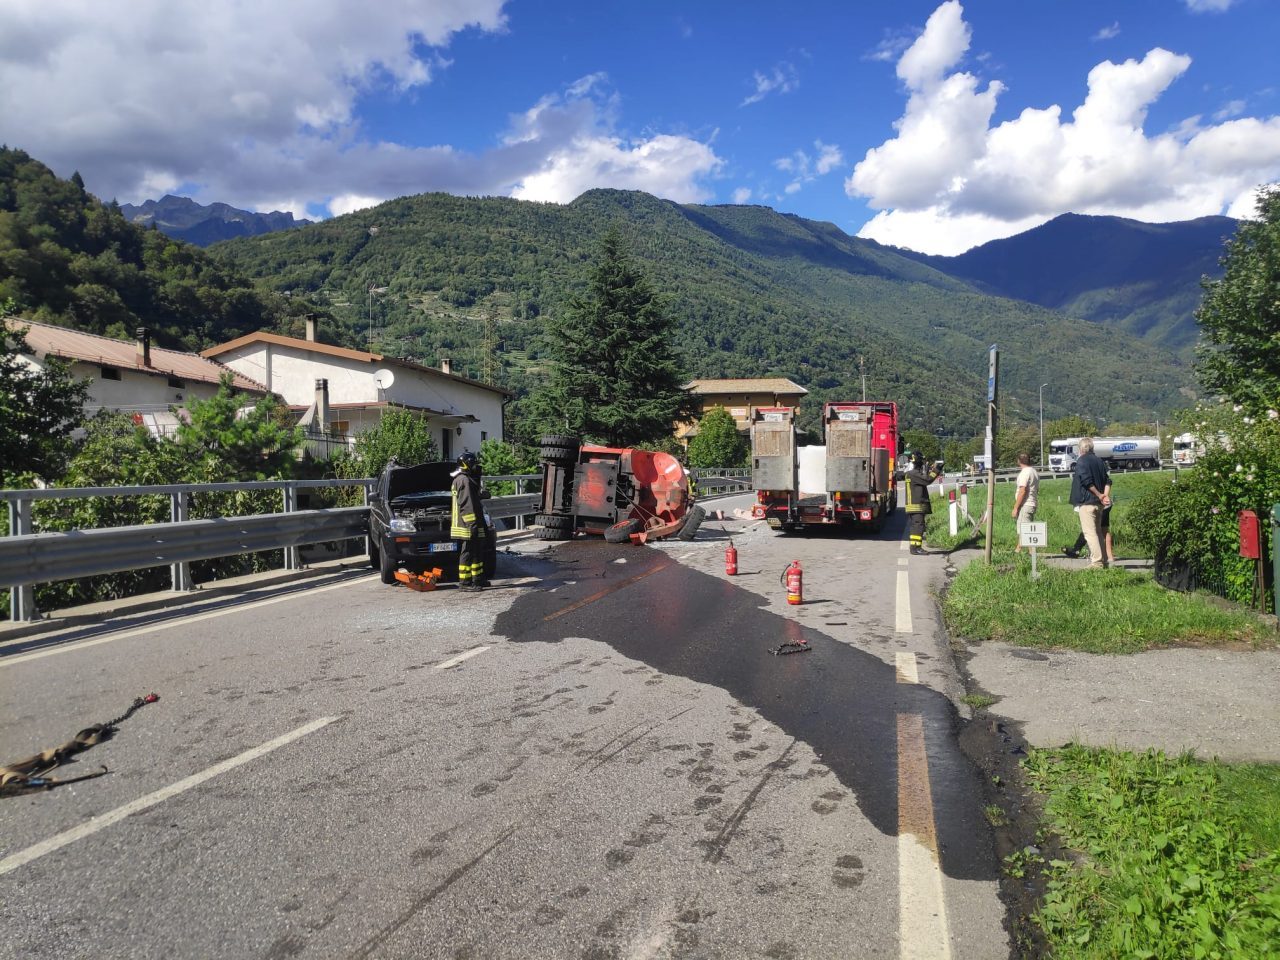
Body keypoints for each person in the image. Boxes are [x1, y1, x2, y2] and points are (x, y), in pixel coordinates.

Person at [1068, 437, 1111, 568]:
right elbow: (1108, 481)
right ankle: (1103, 560)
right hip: (1099, 504)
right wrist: (1104, 496)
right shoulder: (1099, 461)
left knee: (1089, 533)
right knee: (1098, 532)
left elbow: (1086, 481)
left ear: (1081, 449)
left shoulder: (1081, 461)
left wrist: (1098, 494)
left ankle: (1097, 562)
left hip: (1087, 502)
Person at [450, 452, 489, 591]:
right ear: (466, 464)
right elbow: (467, 504)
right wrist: (472, 524)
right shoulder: (464, 480)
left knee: (477, 550)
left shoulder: (463, 479)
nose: (474, 466)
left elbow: (473, 496)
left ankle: (477, 579)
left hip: (472, 522)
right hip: (468, 523)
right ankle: (465, 583)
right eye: (472, 464)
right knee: (467, 551)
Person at [895, 451, 944, 555]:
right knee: (918, 526)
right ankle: (916, 548)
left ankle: (914, 547)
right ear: (919, 461)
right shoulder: (914, 474)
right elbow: (928, 480)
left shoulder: (910, 473)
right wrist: (937, 469)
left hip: (913, 505)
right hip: (916, 505)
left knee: (915, 526)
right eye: (922, 460)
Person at [1011, 452, 1039, 554]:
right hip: (1032, 502)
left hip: (1025, 504)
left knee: (1025, 529)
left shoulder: (1025, 473)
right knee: (1025, 528)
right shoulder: (1034, 472)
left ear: (1018, 461)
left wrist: (1016, 508)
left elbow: (1022, 491)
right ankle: (1018, 549)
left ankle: (1032, 552)